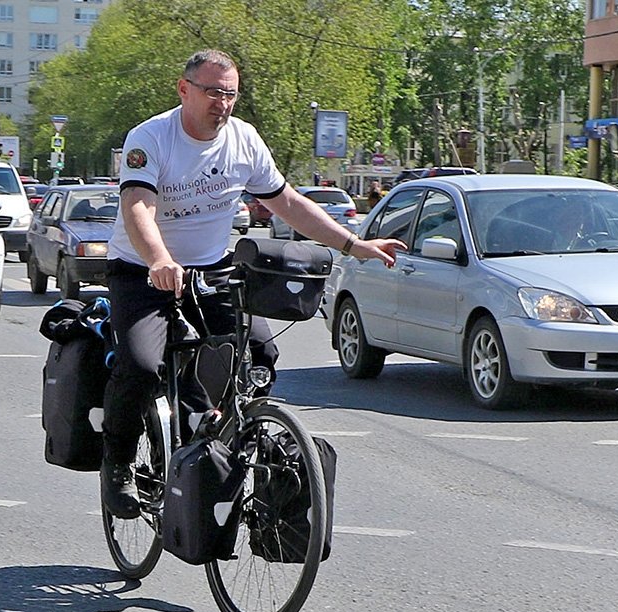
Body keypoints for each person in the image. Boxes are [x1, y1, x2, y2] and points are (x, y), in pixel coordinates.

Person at [101, 49, 406, 518]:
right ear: (184, 90)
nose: (222, 103)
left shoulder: (243, 140)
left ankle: (230, 439)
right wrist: (159, 258)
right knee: (142, 366)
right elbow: (138, 206)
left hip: (211, 267)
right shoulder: (152, 137)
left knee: (260, 353)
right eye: (212, 92)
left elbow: (287, 204)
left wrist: (354, 244)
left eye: (230, 94)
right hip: (143, 269)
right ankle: (118, 466)